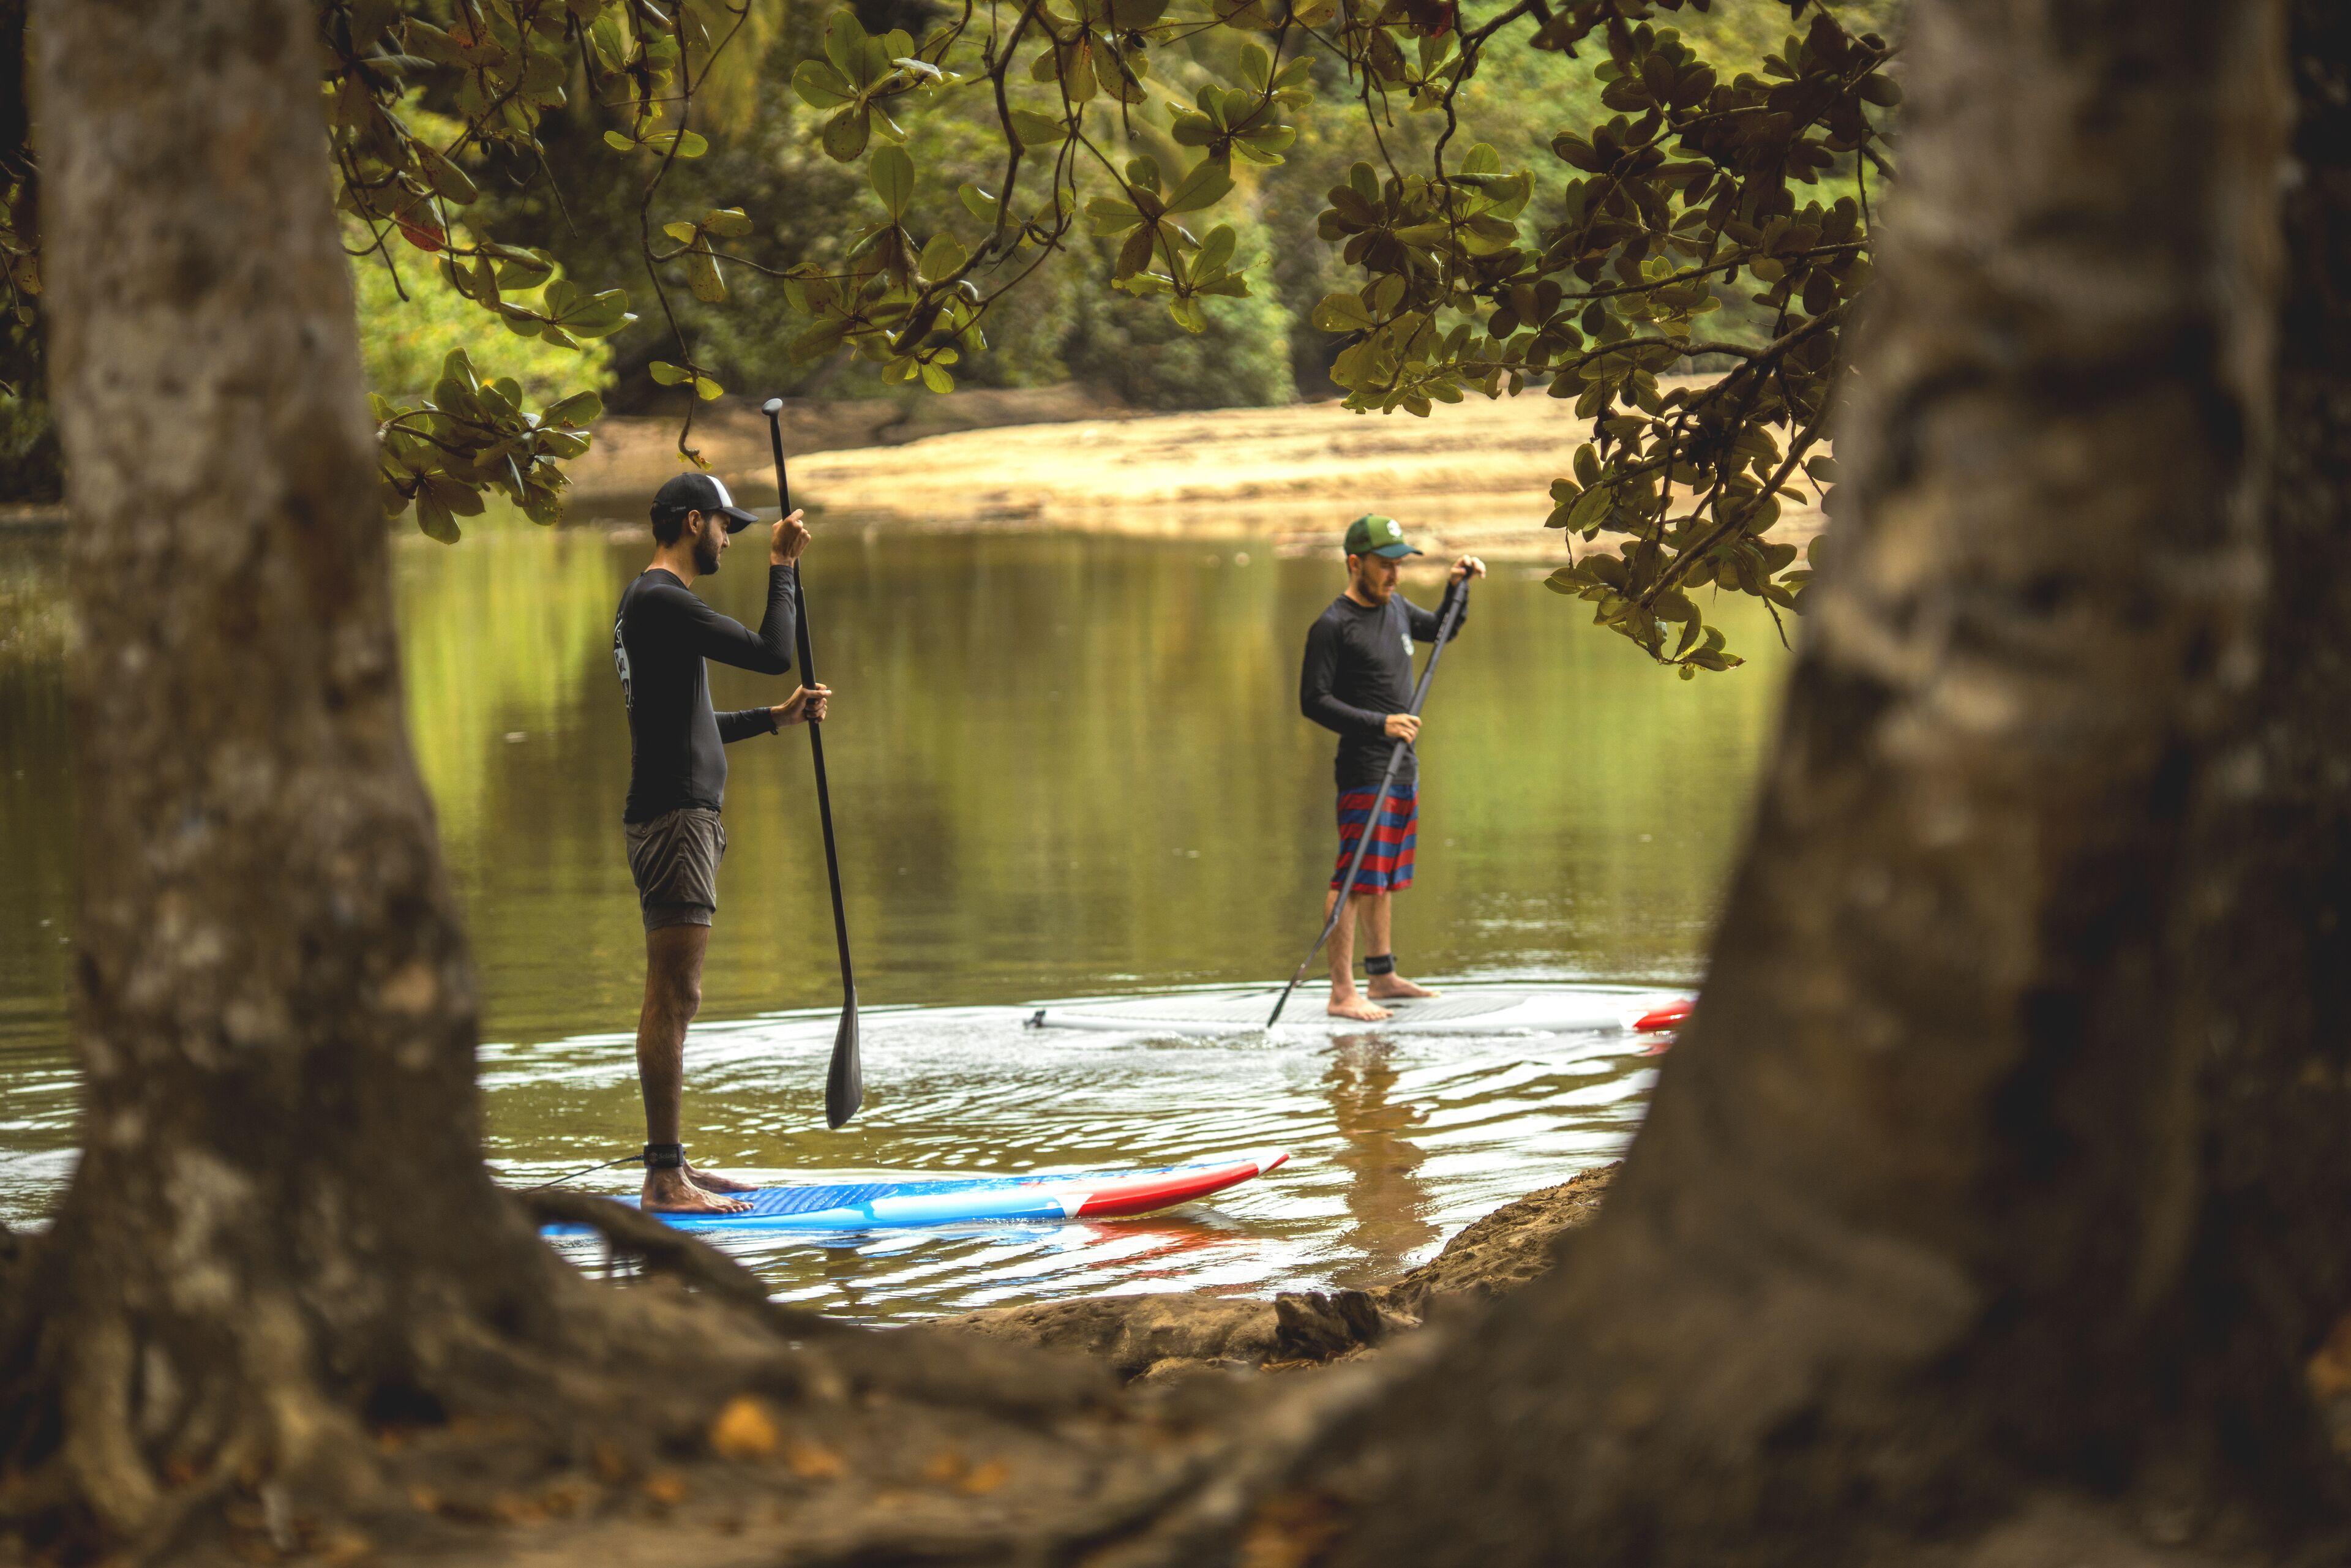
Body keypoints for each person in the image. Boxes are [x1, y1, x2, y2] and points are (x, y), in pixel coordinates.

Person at [613, 471, 831, 1213]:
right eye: (723, 525)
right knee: (673, 994)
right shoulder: (661, 599)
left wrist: (777, 718)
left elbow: (693, 721)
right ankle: (664, 1179)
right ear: (689, 521)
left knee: (681, 993)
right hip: (674, 819)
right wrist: (783, 566)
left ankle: (674, 1164)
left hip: (683, 814)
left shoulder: (653, 606)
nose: (730, 538)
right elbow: (774, 649)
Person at [1299, 515, 1485, 1021]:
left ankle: (1381, 977)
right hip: (1364, 767)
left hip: (1403, 766)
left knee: (1381, 877)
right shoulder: (1332, 625)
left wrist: (1457, 589)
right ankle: (1342, 993)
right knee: (1353, 877)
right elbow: (1313, 701)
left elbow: (1443, 632)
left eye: (1399, 565)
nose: (1395, 576)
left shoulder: (1398, 608)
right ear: (1355, 563)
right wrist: (1380, 723)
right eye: (1385, 566)